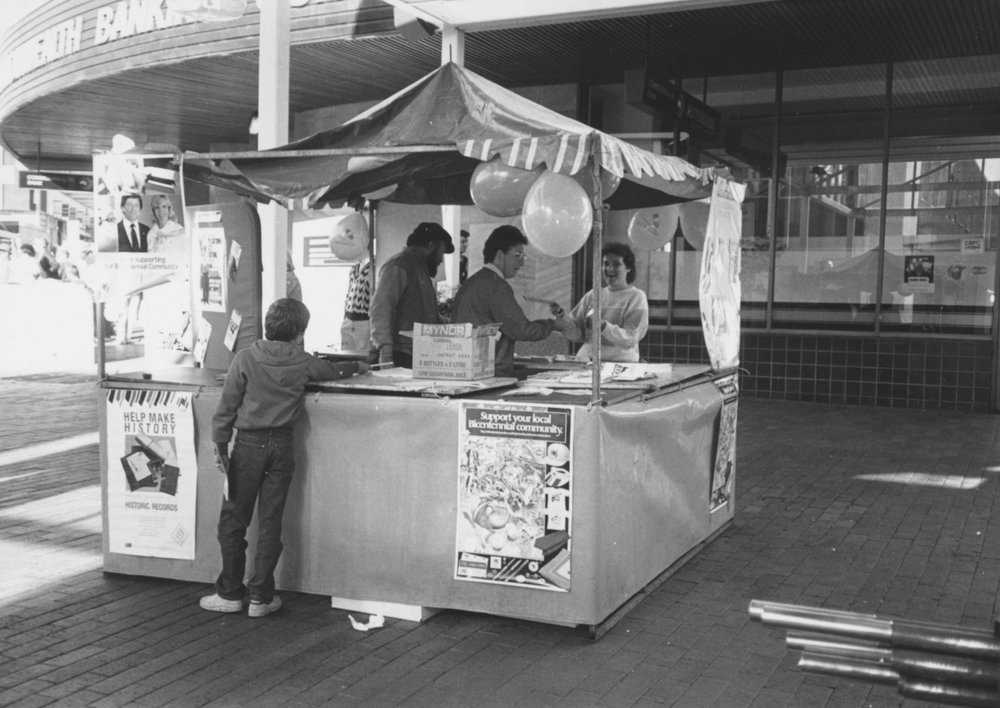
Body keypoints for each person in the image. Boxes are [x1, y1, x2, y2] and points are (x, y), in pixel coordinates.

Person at [200, 298, 369, 618]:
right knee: (270, 521)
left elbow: (226, 408)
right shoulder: (302, 360)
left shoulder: (245, 358)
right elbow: (331, 371)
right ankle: (261, 598)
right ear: (299, 333)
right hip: (282, 447)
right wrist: (356, 366)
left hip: (247, 447)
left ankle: (230, 593)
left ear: (268, 324)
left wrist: (220, 445)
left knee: (234, 519)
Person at [452, 225, 572, 378]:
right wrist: (553, 324)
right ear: (500, 255)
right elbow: (521, 329)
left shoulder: (473, 281)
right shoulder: (496, 286)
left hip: (466, 369)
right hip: (489, 375)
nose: (521, 263)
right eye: (518, 255)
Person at [369, 222, 454, 367]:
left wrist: (452, 324)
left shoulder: (420, 269)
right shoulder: (399, 265)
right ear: (431, 246)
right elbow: (381, 309)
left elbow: (425, 314)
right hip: (399, 355)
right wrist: (386, 353)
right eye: (441, 253)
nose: (441, 260)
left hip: (417, 354)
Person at [561, 242, 648, 362]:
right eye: (606, 264)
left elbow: (630, 339)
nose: (609, 269)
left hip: (619, 366)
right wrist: (562, 320)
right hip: (586, 364)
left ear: (628, 268)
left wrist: (603, 327)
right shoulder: (593, 295)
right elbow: (577, 333)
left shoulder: (636, 297)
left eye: (616, 264)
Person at [340, 256, 371, 351]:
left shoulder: (374, 267)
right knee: (346, 355)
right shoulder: (354, 268)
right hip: (348, 319)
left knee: (363, 355)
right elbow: (349, 293)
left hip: (365, 320)